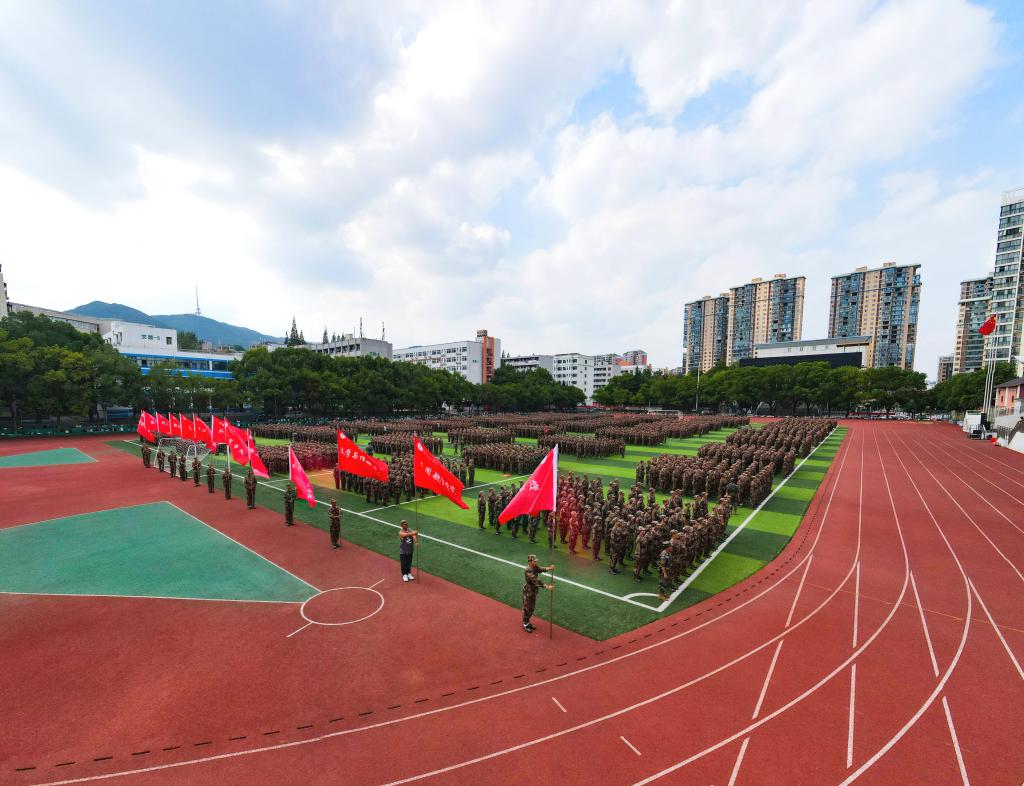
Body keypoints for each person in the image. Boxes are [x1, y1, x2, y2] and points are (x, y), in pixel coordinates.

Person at [522, 555, 554, 633]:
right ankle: (525, 624)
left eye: (536, 561)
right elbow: (535, 580)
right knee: (527, 608)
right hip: (528, 591)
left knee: (531, 608)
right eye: (534, 561)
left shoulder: (534, 566)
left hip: (533, 590)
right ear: (530, 561)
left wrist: (549, 568)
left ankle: (527, 622)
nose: (536, 562)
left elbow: (540, 569)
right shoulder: (528, 570)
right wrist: (546, 586)